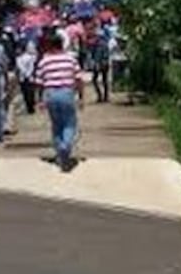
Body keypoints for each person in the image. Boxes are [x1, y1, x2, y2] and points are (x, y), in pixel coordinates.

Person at [37, 31, 84, 173]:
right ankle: (65, 147)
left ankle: (60, 152)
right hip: (67, 92)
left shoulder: (44, 61)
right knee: (70, 123)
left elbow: (39, 82)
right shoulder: (70, 59)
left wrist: (40, 99)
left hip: (50, 94)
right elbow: (78, 79)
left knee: (56, 125)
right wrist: (81, 97)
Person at [89, 23, 112, 103]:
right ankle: (105, 97)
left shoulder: (99, 44)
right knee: (105, 80)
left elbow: (98, 55)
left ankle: (100, 96)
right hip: (105, 63)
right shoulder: (105, 43)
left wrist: (96, 63)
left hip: (100, 63)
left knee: (95, 80)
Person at [16, 41, 39, 115]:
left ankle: (29, 106)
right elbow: (32, 67)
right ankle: (31, 107)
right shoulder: (29, 57)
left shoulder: (19, 59)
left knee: (26, 93)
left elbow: (20, 68)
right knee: (30, 92)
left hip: (23, 77)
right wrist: (28, 74)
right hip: (29, 77)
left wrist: (25, 74)